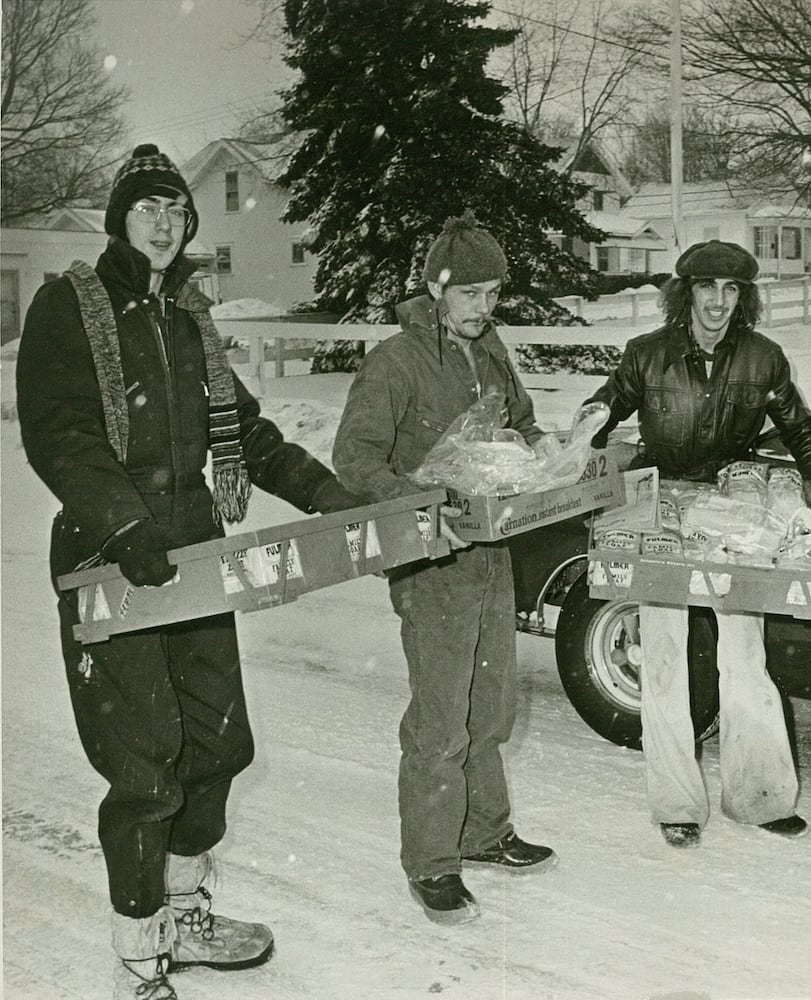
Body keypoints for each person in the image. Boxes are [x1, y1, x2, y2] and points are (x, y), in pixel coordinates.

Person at [15, 144, 363, 1000]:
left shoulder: (188, 322)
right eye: (149, 209)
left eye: (177, 209)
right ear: (120, 220)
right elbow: (58, 430)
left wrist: (324, 492)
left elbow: (244, 432)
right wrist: (125, 522)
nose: (166, 224)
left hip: (197, 548)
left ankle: (184, 913)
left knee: (216, 741)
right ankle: (140, 955)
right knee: (143, 761)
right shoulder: (72, 305)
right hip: (113, 554)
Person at [332, 212, 559, 926]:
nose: (484, 309)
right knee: (440, 718)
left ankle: (486, 832)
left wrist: (550, 455)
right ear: (437, 288)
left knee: (492, 705)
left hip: (491, 548)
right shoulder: (395, 361)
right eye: (471, 295)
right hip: (431, 556)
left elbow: (520, 423)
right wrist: (428, 499)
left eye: (493, 294)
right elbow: (356, 459)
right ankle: (432, 860)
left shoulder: (490, 351)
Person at [586, 239, 811, 849]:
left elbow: (801, 429)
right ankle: (675, 803)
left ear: (742, 298)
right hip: (658, 505)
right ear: (686, 293)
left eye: (731, 291)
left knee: (745, 656)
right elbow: (606, 406)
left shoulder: (763, 357)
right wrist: (586, 432)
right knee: (665, 658)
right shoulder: (646, 354)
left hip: (733, 508)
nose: (718, 302)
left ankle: (760, 798)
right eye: (706, 288)